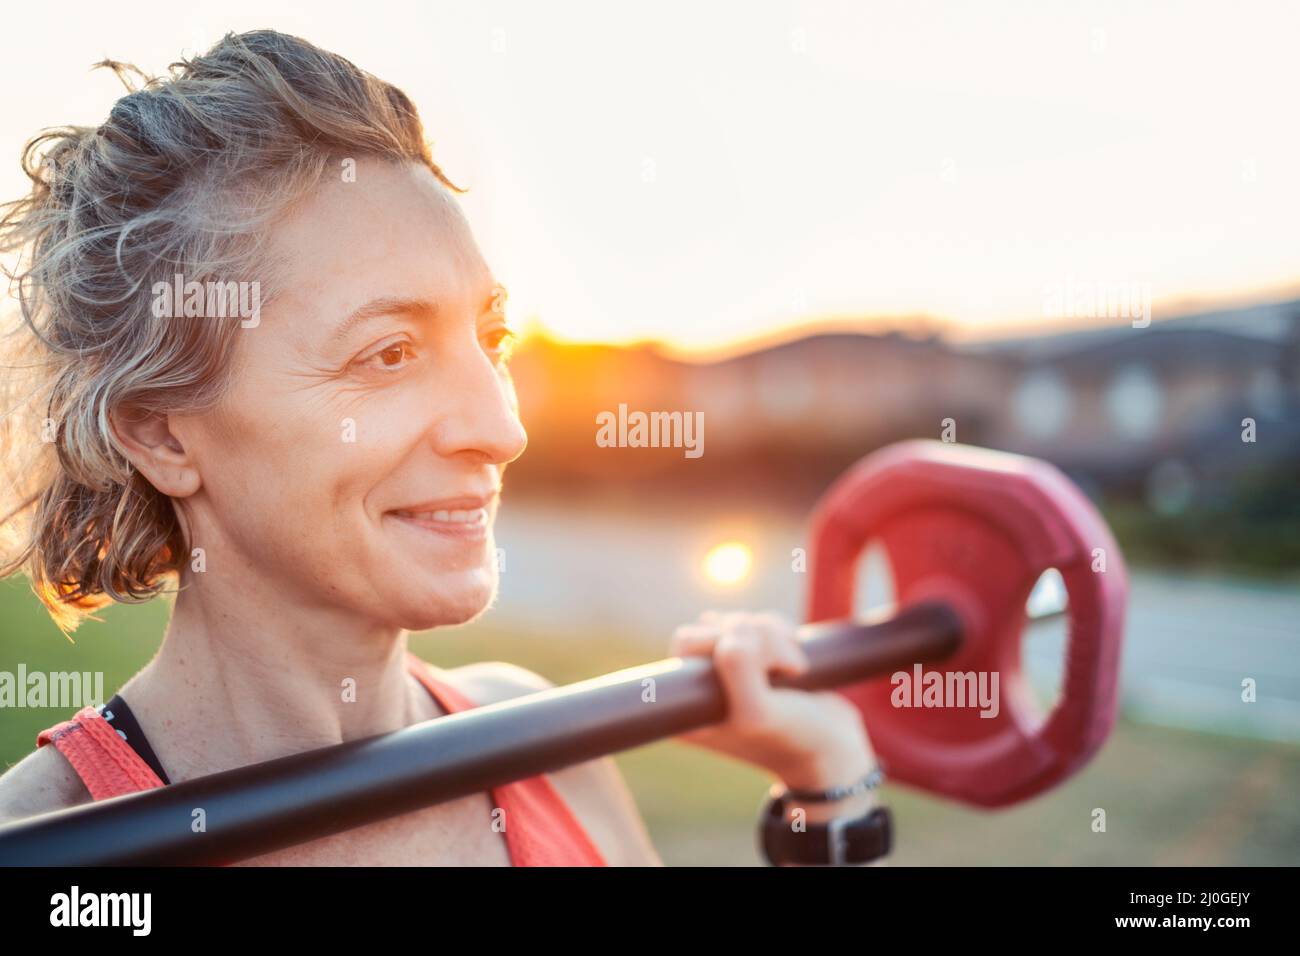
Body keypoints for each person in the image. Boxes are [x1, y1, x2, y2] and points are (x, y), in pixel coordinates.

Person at [0, 30, 877, 865]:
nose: (502, 431)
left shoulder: (541, 742)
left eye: (491, 343)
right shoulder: (45, 849)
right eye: (388, 354)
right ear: (160, 432)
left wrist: (829, 786)